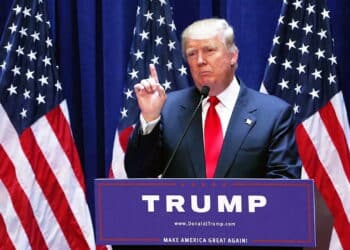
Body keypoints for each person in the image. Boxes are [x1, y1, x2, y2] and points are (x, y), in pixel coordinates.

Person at [125, 18, 301, 181]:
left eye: (209, 50)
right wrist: (150, 117)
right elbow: (138, 173)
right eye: (192, 54)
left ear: (233, 56)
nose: (200, 61)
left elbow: (283, 188)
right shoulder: (166, 107)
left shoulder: (273, 114)